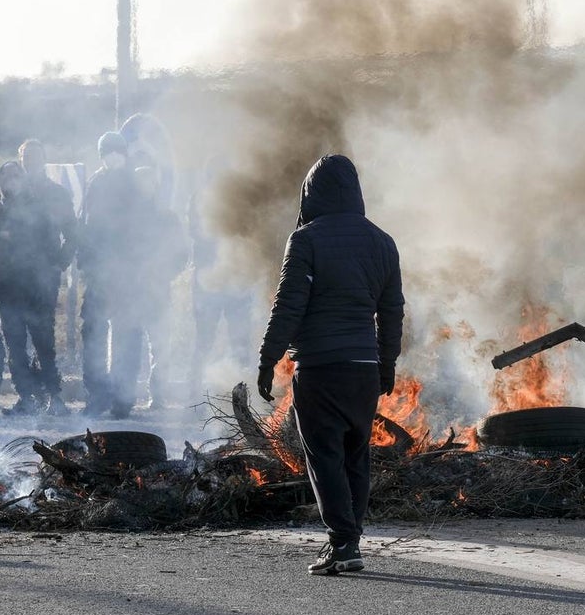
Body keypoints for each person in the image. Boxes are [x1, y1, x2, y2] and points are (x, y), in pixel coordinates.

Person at [257, 154, 403, 575]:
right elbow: (392, 312)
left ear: (310, 194)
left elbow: (288, 306)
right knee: (356, 454)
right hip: (363, 367)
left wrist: (268, 359)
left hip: (320, 368)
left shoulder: (305, 240)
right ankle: (350, 540)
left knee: (324, 456)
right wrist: (386, 363)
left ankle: (342, 544)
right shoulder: (382, 242)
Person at [0, 160, 72, 416]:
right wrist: (11, 239)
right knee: (15, 347)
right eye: (7, 177)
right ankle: (26, 397)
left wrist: (51, 264)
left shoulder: (39, 209)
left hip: (37, 288)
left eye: (16, 176)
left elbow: (49, 243)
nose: (13, 182)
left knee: (44, 345)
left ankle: (54, 398)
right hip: (8, 288)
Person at [79, 131, 140, 418]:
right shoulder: (95, 182)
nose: (113, 156)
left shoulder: (133, 183)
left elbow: (142, 229)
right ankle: (97, 396)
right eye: (108, 151)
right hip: (98, 272)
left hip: (126, 274)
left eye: (117, 150)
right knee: (91, 331)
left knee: (127, 334)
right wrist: (85, 261)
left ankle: (123, 399)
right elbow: (86, 224)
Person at [187, 165, 252, 397]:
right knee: (205, 340)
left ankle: (242, 394)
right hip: (210, 282)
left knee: (239, 342)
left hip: (236, 281)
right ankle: (195, 392)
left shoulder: (241, 197)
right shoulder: (201, 200)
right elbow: (198, 233)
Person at [133, 165, 188, 409]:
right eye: (141, 182)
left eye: (150, 181)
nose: (146, 187)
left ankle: (157, 395)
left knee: (160, 345)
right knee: (128, 345)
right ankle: (122, 397)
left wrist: (164, 273)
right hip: (128, 290)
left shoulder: (166, 217)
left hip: (157, 289)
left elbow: (181, 252)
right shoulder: (125, 216)